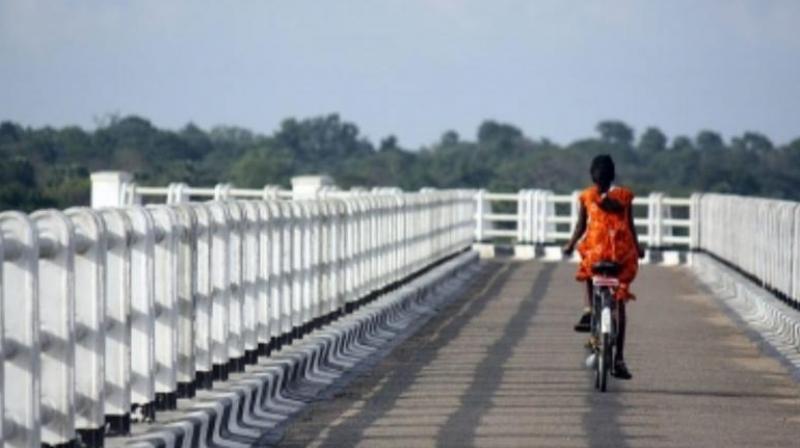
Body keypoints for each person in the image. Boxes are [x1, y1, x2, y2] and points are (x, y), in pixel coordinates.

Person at [562, 154, 644, 380]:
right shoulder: (625, 197)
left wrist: (570, 244)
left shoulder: (588, 196)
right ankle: (619, 358)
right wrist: (638, 248)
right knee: (619, 304)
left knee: (587, 268)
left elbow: (580, 225)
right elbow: (630, 226)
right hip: (621, 257)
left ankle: (588, 309)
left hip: (596, 254)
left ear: (592, 177)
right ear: (613, 175)